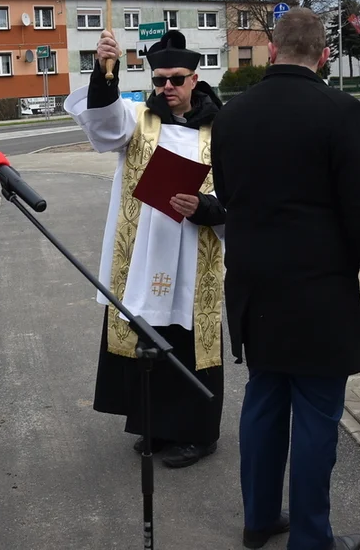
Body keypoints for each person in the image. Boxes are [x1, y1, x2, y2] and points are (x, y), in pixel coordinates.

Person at [210, 7, 360, 550]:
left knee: (264, 400)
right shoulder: (341, 112)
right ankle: (312, 539)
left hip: (253, 291)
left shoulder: (231, 117)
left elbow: (227, 195)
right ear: (324, 56)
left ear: (272, 51)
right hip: (319, 294)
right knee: (318, 417)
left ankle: (259, 519)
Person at [64, 28, 226, 469]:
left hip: (194, 253)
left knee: (189, 342)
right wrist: (104, 71)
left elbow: (243, 192)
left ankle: (198, 433)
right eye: (159, 80)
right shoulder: (139, 120)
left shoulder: (223, 128)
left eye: (176, 78)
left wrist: (208, 208)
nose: (167, 88)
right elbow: (102, 122)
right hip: (142, 254)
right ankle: (154, 425)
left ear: (195, 78)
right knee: (147, 342)